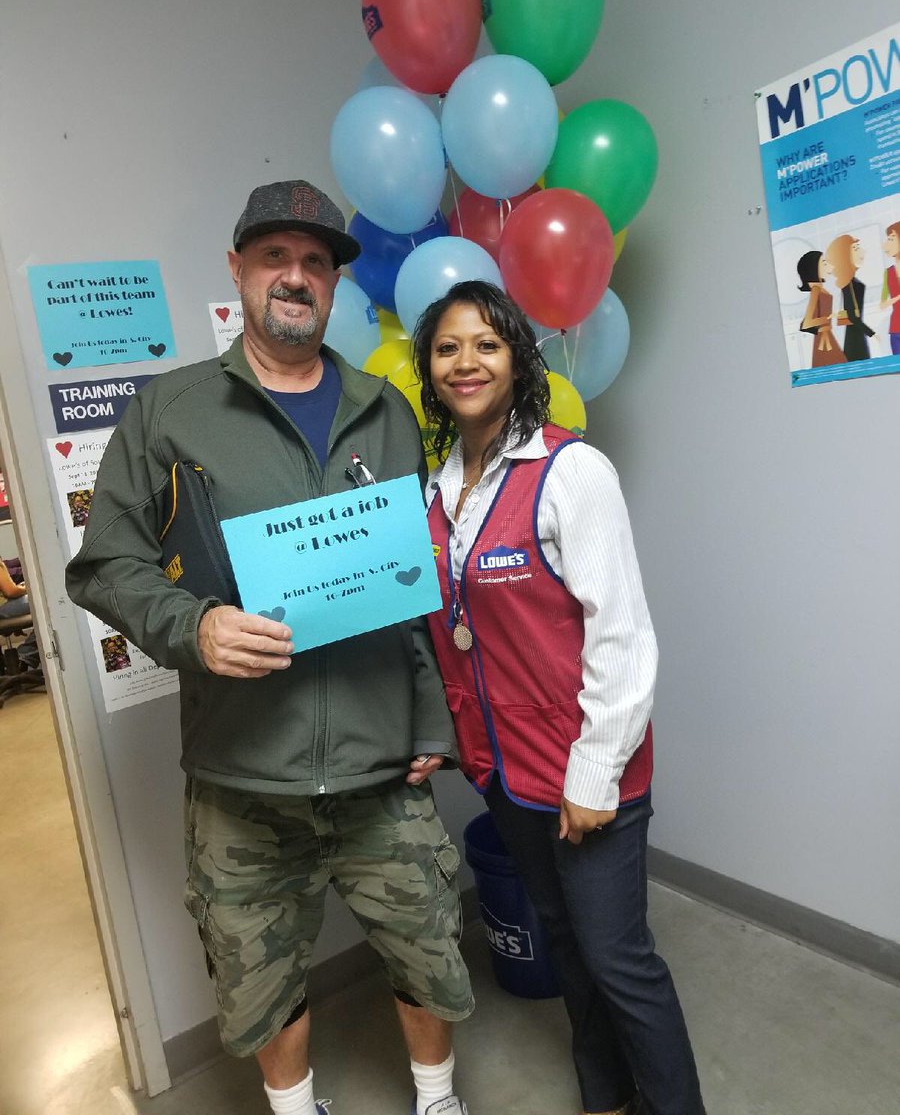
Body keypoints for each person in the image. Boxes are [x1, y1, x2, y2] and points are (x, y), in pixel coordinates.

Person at [66, 181, 473, 1115]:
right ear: (238, 271)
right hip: (244, 771)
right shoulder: (171, 411)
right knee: (259, 973)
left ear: (334, 285)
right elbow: (104, 564)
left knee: (428, 944)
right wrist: (191, 626)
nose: (296, 276)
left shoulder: (385, 411)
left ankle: (438, 1098)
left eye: (316, 262)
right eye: (274, 257)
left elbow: (406, 597)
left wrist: (430, 721)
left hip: (381, 766)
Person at [413, 281, 705, 1115]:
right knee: (571, 948)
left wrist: (594, 774)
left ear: (519, 359)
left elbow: (623, 635)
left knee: (620, 960)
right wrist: (445, 736)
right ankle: (606, 1099)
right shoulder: (437, 492)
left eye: (487, 343)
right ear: (429, 369)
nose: (466, 361)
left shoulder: (570, 470)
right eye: (447, 347)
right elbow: (449, 634)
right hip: (504, 775)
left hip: (585, 773)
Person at [827, 233, 874, 362]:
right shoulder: (849, 284)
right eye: (856, 248)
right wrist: (872, 334)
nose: (862, 252)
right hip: (855, 340)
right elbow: (852, 316)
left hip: (855, 337)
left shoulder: (852, 282)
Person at [796, 249, 845, 368]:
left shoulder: (819, 289)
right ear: (814, 268)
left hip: (827, 338)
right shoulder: (816, 290)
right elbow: (806, 324)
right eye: (824, 262)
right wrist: (826, 319)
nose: (829, 265)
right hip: (823, 340)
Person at [879, 220, 900, 355]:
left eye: (891, 239)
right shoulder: (888, 273)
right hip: (896, 330)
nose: (886, 244)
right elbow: (882, 304)